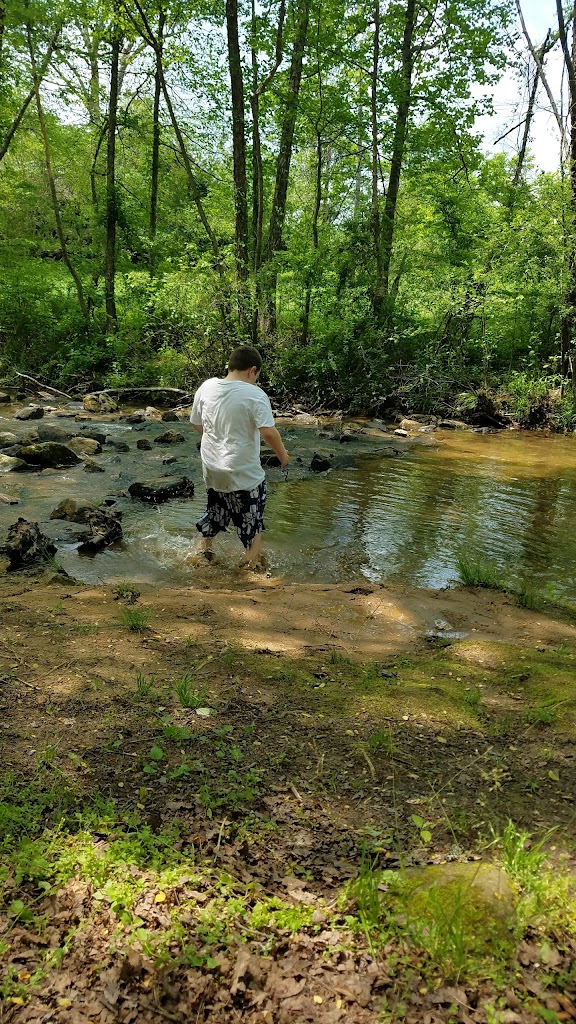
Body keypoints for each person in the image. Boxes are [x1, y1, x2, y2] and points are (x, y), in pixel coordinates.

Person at [190, 345, 290, 567]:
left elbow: (196, 424)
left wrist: (218, 436)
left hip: (212, 470)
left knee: (215, 512)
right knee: (253, 524)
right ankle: (249, 568)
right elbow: (268, 432)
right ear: (252, 370)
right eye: (257, 376)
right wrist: (283, 456)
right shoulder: (255, 394)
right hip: (243, 473)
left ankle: (202, 554)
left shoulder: (207, 387)